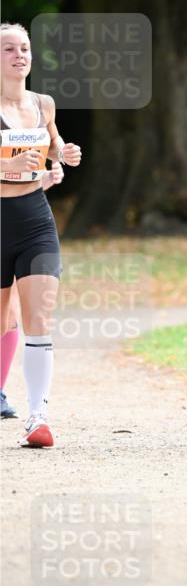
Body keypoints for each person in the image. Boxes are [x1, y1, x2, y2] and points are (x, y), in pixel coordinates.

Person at [0, 23, 82, 447]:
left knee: (39, 319)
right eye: (10, 49)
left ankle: (37, 417)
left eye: (25, 48)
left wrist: (64, 153)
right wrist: (5, 170)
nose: (20, 55)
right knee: (2, 321)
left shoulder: (43, 104)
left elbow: (55, 147)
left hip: (35, 219)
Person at [1, 162, 64, 419]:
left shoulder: (33, 125)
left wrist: (44, 177)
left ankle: (36, 414)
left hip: (28, 219)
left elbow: (19, 180)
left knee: (18, 315)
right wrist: (9, 165)